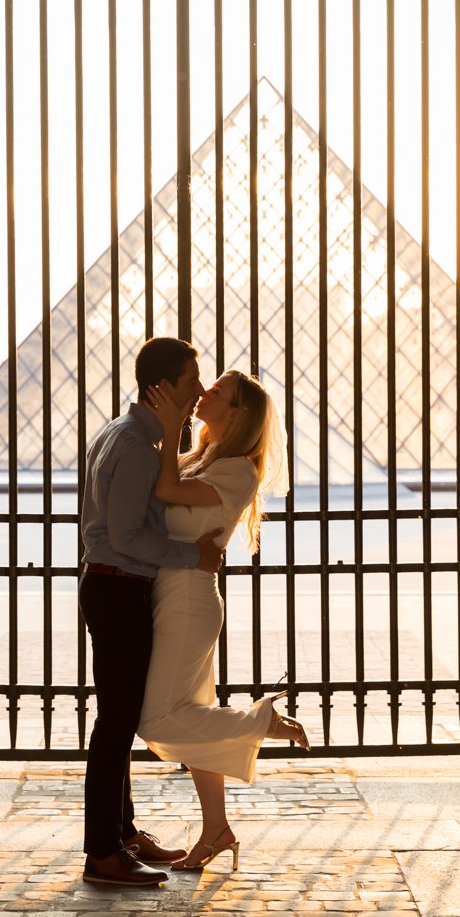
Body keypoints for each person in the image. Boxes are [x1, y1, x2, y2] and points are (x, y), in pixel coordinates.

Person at [137, 369, 310, 872]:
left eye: (216, 392)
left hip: (189, 603)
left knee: (157, 719)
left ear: (236, 415)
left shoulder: (237, 469)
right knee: (195, 724)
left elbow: (164, 489)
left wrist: (168, 424)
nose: (202, 393)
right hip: (173, 595)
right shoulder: (201, 457)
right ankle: (216, 830)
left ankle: (262, 720)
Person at [79, 337, 226, 887]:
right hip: (120, 589)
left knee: (116, 719)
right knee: (115, 725)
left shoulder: (121, 431)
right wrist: (195, 554)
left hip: (109, 587)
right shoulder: (140, 446)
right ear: (161, 387)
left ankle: (122, 834)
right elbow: (126, 536)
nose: (198, 393)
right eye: (191, 383)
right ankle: (103, 853)